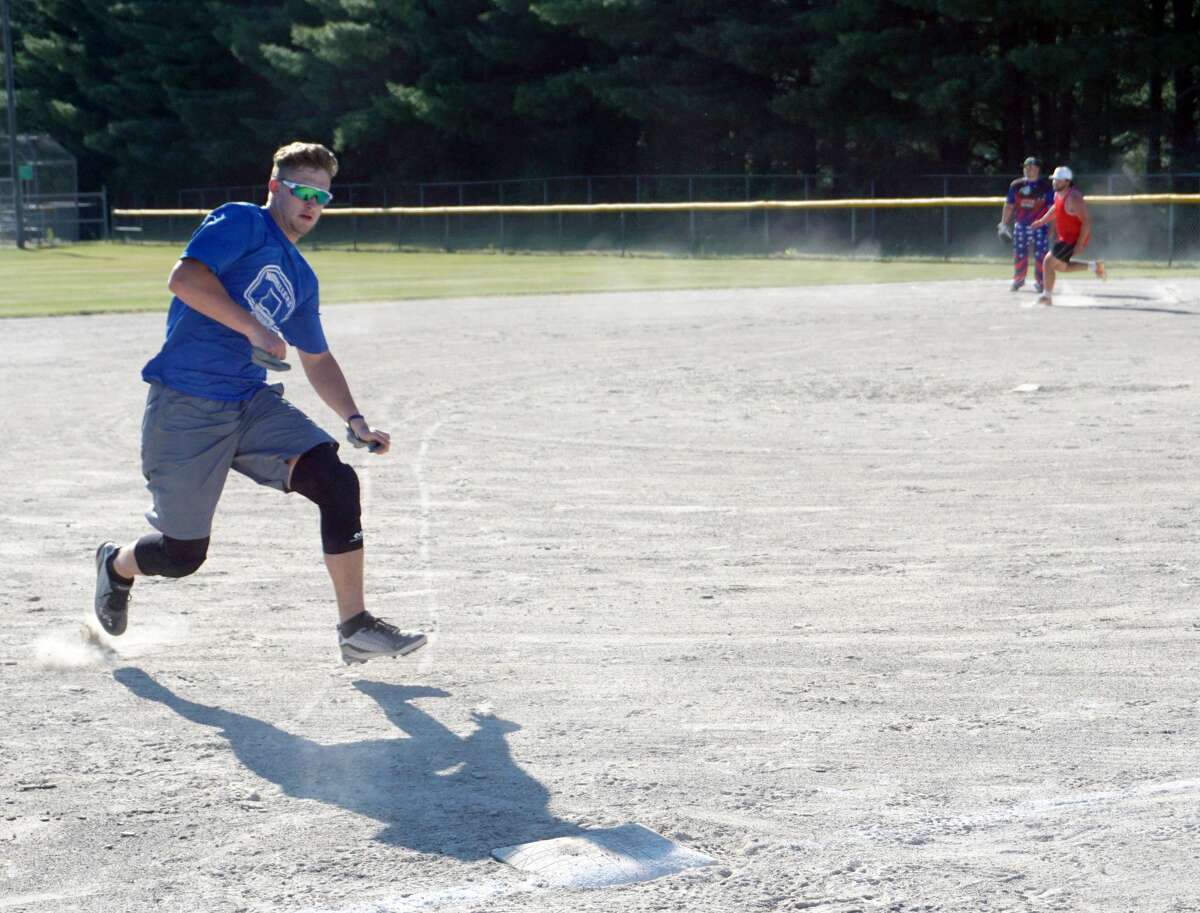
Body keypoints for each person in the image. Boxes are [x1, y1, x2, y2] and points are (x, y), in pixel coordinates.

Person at [93, 141, 426, 665]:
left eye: (323, 196)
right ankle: (116, 565)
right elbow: (184, 279)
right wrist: (253, 327)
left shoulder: (300, 276)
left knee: (336, 480)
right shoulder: (243, 223)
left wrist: (355, 420)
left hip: (250, 404)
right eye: (302, 190)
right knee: (181, 555)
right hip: (187, 405)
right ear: (275, 188)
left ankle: (355, 626)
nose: (312, 203)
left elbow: (316, 359)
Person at [1031, 165, 1106, 306]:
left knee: (1048, 262)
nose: (1054, 182)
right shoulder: (1058, 194)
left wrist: (1079, 243)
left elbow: (1087, 221)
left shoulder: (1074, 197)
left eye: (1058, 180)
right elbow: (1056, 208)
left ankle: (1047, 296)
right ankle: (1094, 267)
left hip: (1073, 238)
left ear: (1067, 181)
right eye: (1054, 180)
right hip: (1064, 237)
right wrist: (1042, 221)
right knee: (1061, 267)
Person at [998, 156, 1054, 293]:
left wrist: (1053, 227)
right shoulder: (1016, 185)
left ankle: (1041, 282)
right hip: (1021, 225)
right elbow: (1009, 205)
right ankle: (1018, 279)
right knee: (1019, 253)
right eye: (1026, 167)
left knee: (1041, 255)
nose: (1028, 170)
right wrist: (1003, 224)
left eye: (1032, 167)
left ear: (1038, 169)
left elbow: (1052, 208)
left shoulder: (1046, 187)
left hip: (1040, 225)